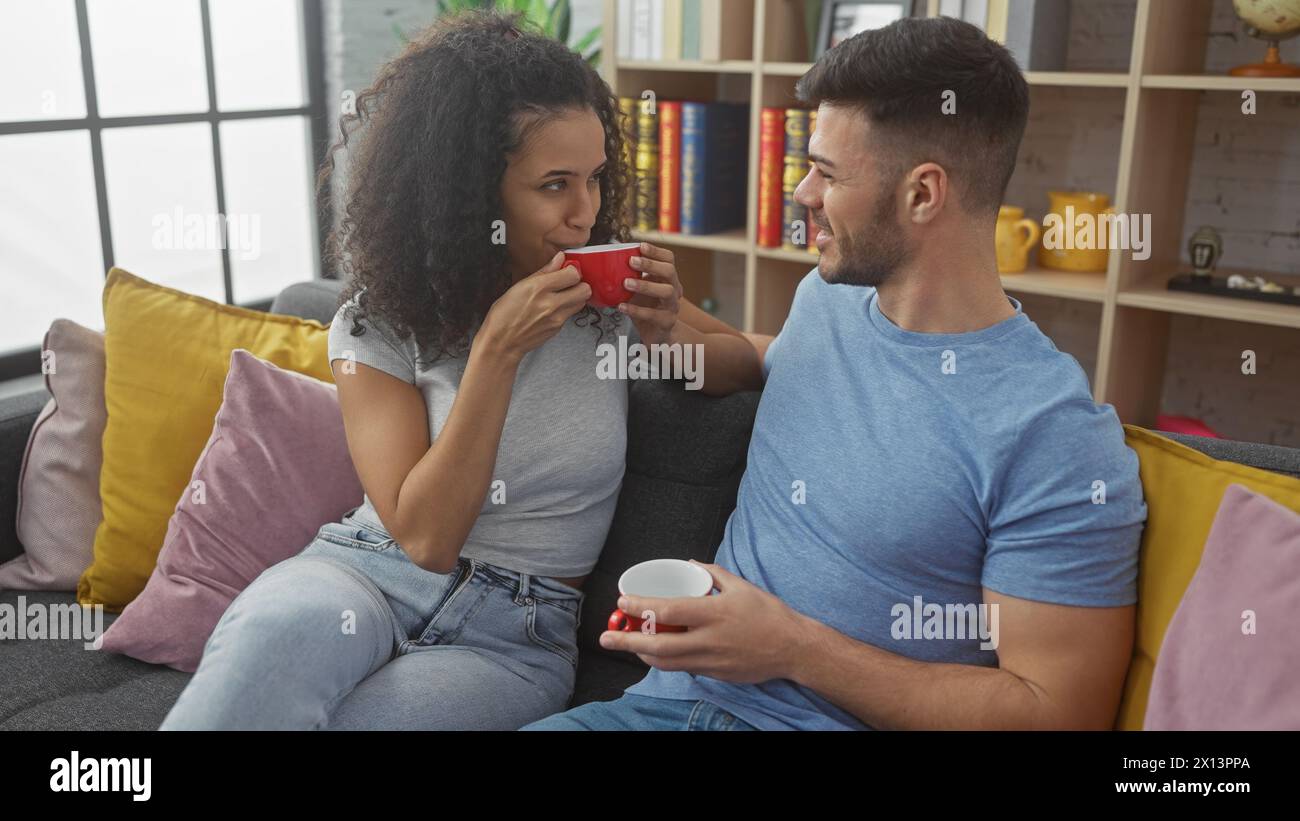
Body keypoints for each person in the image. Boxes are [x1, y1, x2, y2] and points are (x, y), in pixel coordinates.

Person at [522, 16, 1148, 731]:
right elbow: (768, 360)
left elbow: (1057, 712)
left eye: (826, 171)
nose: (801, 193)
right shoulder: (829, 300)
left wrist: (791, 648)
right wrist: (668, 332)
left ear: (922, 194)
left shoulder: (1054, 434)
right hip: (662, 707)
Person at [160, 10, 742, 730]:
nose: (586, 212)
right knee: (263, 655)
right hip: (361, 575)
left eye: (594, 178)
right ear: (471, 193)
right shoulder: (379, 320)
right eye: (554, 184)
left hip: (516, 636)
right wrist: (497, 352)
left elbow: (749, 362)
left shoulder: (606, 300)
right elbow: (426, 538)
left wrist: (665, 327)